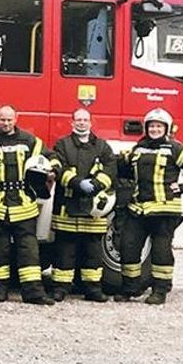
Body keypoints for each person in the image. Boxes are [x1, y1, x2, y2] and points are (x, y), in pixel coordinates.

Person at [116, 108, 183, 304]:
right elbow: (126, 170)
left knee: (161, 251)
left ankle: (160, 291)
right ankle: (131, 288)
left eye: (158, 126)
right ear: (146, 128)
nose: (155, 129)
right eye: (152, 126)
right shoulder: (138, 148)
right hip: (139, 208)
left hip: (164, 210)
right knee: (128, 246)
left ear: (167, 128)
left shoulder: (175, 148)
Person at [0, 105, 55, 305]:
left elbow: (50, 157)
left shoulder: (29, 141)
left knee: (29, 250)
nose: (6, 123)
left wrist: (53, 171)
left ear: (16, 119)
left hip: (24, 205)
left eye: (9, 119)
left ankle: (33, 292)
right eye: (2, 119)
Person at [50, 108, 117, 303]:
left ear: (91, 123)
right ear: (72, 123)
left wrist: (96, 184)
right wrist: (77, 183)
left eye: (85, 120)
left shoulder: (102, 146)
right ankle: (61, 288)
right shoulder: (63, 144)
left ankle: (92, 288)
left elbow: (110, 168)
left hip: (93, 210)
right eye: (78, 120)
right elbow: (58, 167)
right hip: (68, 208)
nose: (81, 123)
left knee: (92, 252)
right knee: (64, 251)